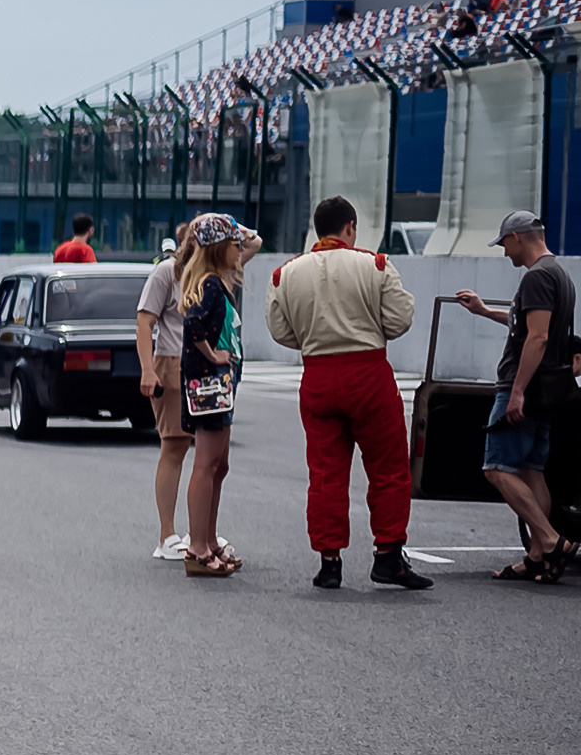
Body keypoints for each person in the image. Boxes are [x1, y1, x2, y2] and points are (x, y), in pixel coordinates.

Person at [266, 195, 427, 590]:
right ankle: (388, 555)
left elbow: (280, 331)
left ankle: (330, 561)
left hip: (318, 374)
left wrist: (313, 339)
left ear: (318, 230)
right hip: (368, 372)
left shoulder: (286, 274)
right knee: (388, 469)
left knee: (325, 473)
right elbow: (400, 319)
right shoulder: (375, 264)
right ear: (350, 227)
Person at [454, 210, 577, 582]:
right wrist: (484, 310)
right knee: (531, 470)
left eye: (504, 243)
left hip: (525, 386)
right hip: (549, 390)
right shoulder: (559, 274)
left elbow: (537, 337)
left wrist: (517, 392)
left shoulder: (538, 277)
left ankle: (553, 540)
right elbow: (526, 325)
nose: (504, 252)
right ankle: (538, 556)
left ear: (519, 237)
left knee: (496, 469)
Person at [178, 215, 249, 578]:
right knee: (206, 465)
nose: (241, 248)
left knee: (219, 466)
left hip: (219, 386)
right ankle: (198, 545)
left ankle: (207, 539)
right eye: (234, 244)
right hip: (209, 386)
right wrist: (213, 354)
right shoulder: (210, 286)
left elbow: (253, 240)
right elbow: (193, 325)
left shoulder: (216, 282)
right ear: (220, 248)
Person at [134, 224, 195, 560]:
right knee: (174, 446)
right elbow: (145, 322)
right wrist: (147, 369)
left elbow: (253, 242)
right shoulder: (167, 272)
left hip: (208, 367)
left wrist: (230, 227)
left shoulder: (210, 272)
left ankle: (201, 533)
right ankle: (166, 535)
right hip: (172, 362)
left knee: (213, 454)